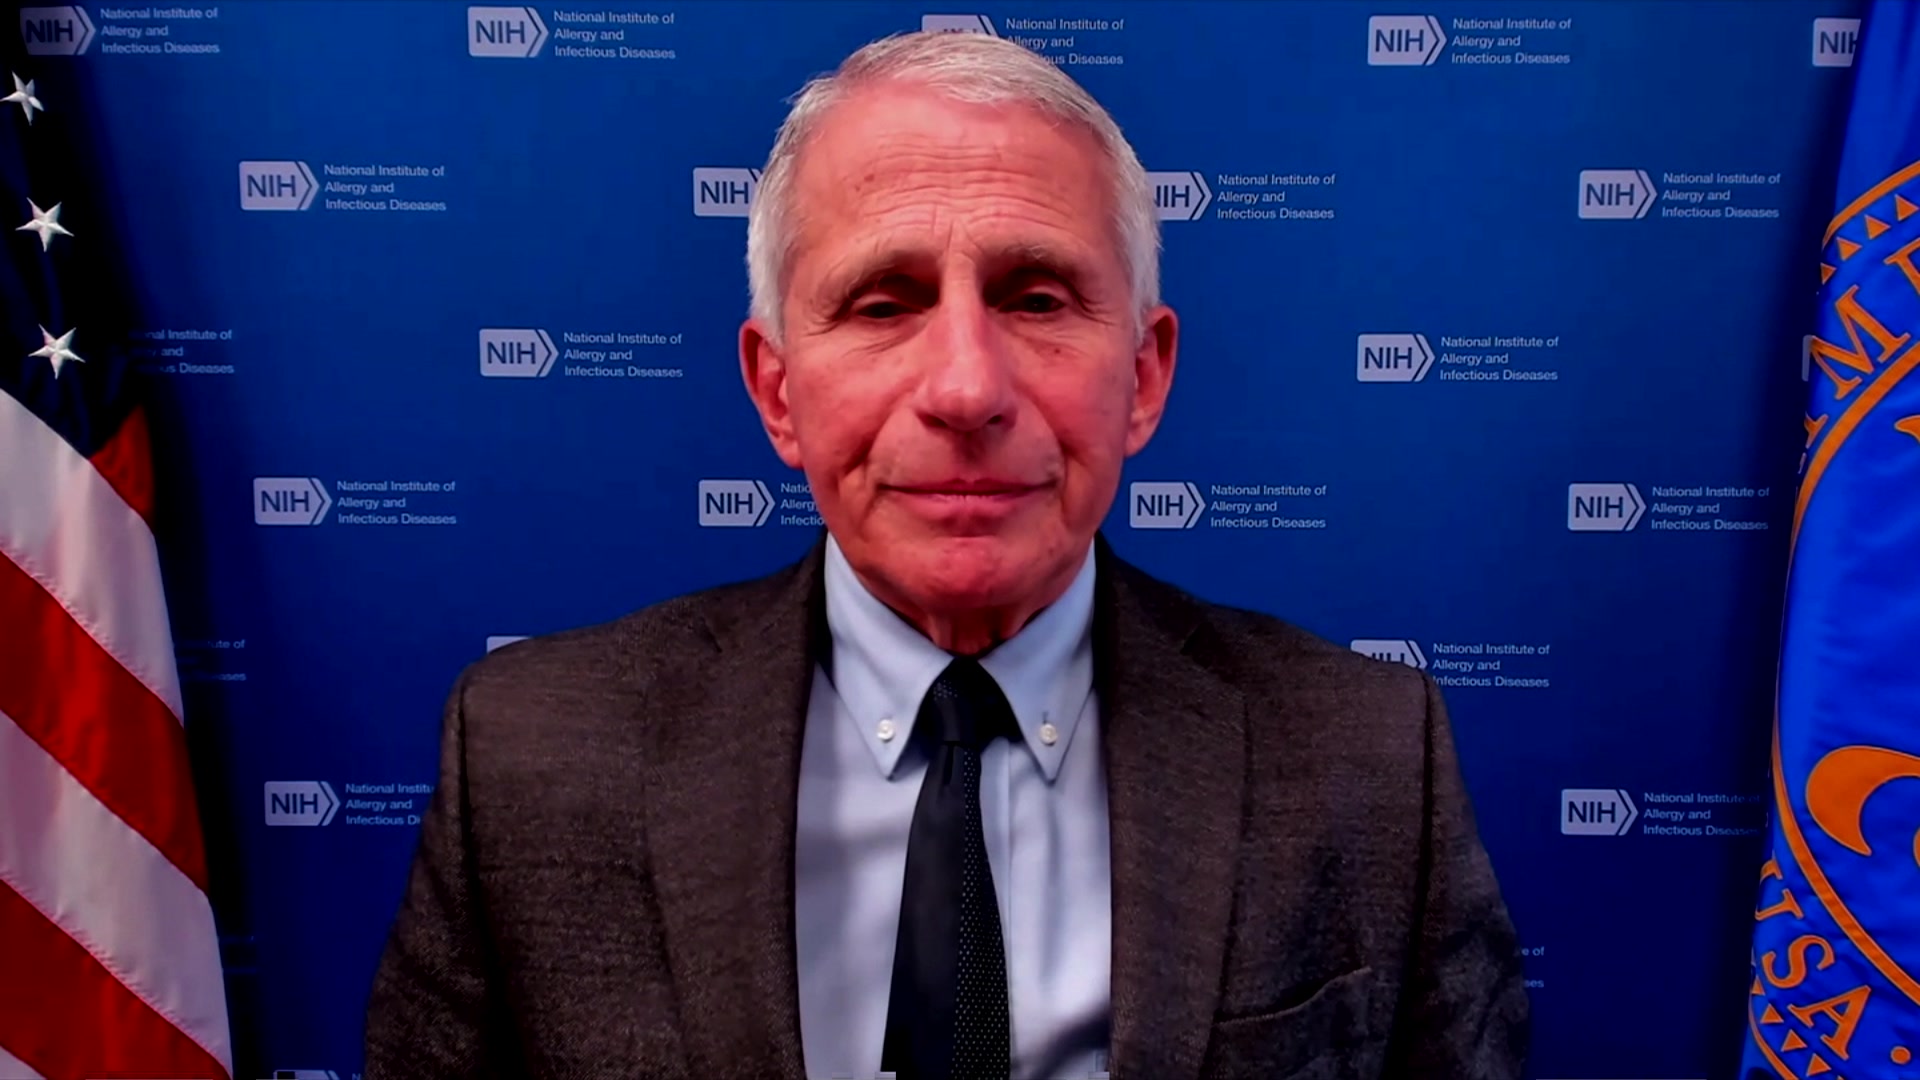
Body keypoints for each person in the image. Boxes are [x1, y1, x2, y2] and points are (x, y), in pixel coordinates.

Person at [364, 30, 1528, 1080]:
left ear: (1146, 377)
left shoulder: (1370, 763)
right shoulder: (527, 762)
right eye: (883, 303)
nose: (966, 387)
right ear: (779, 391)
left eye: (1035, 297)